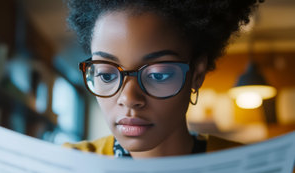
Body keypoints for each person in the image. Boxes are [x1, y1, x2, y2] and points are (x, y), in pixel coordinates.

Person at [63, 0, 262, 158]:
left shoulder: (259, 172)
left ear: (197, 75)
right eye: (106, 75)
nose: (129, 98)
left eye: (158, 75)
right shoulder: (66, 167)